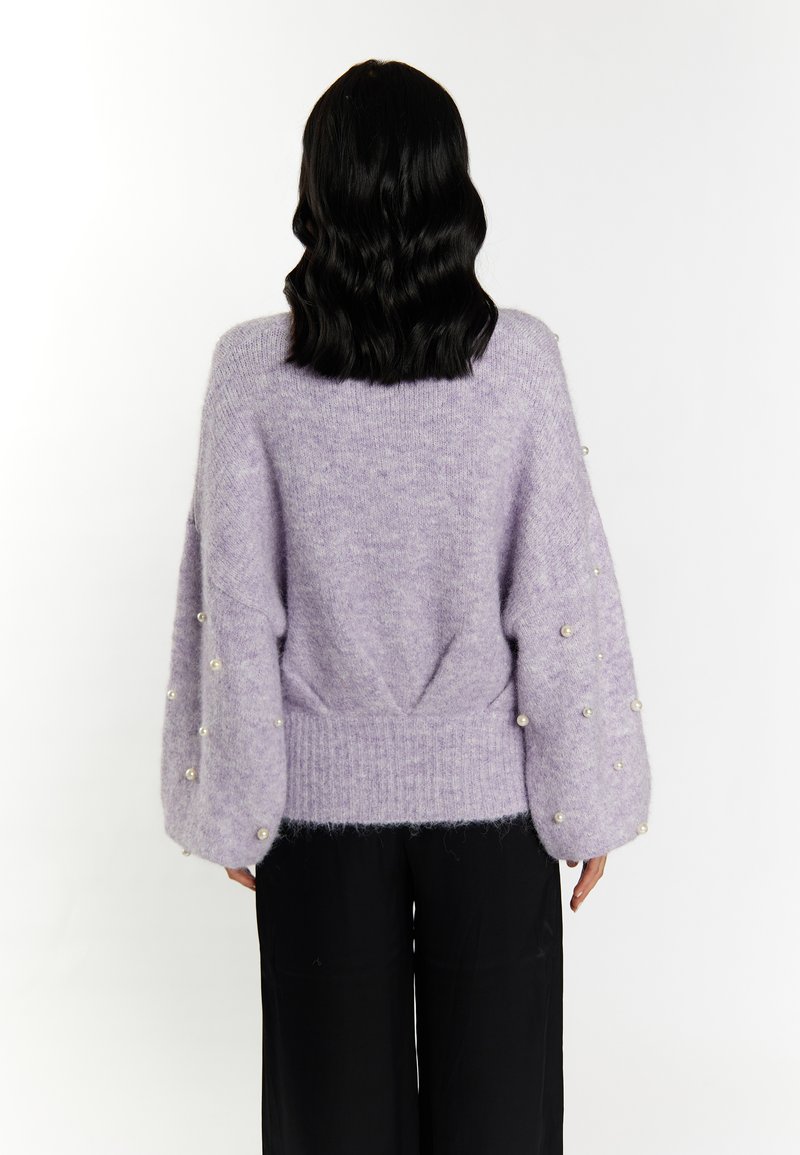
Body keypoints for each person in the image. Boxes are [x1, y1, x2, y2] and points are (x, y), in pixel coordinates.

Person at [160, 58, 652, 1155]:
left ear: (316, 191)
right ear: (452, 190)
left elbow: (233, 609)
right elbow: (559, 600)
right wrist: (588, 802)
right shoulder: (520, 364)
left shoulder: (250, 373)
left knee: (329, 1131)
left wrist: (237, 799)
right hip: (491, 818)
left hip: (316, 824)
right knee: (502, 1128)